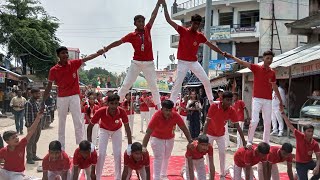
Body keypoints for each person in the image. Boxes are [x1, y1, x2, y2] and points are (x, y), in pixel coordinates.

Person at [162, 0, 225, 105]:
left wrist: (221, 52)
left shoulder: (199, 36)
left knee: (206, 80)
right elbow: (168, 20)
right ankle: (171, 103)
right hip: (182, 62)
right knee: (178, 82)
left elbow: (210, 45)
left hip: (193, 62)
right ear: (191, 23)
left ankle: (211, 101)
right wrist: (164, 6)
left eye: (198, 24)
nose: (196, 26)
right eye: (195, 23)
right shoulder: (183, 30)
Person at [102, 1, 162, 109]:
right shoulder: (132, 35)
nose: (142, 23)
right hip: (136, 63)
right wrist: (107, 48)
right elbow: (119, 42)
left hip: (149, 63)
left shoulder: (148, 29)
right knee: (126, 84)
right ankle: (117, 103)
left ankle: (160, 107)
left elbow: (153, 16)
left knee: (153, 86)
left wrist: (158, 4)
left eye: (143, 21)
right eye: (139, 21)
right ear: (135, 23)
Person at [42, 46, 104, 150]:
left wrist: (98, 53)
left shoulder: (73, 64)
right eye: (63, 53)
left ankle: (81, 146)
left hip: (74, 96)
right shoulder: (54, 70)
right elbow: (48, 86)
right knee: (61, 122)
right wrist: (42, 101)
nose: (65, 55)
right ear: (58, 55)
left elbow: (87, 58)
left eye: (66, 53)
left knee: (78, 122)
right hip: (62, 97)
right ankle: (61, 147)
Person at [225, 51, 284, 146]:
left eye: (271, 59)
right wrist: (231, 56)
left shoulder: (272, 72)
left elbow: (274, 87)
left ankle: (266, 142)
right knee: (255, 120)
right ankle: (249, 141)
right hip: (257, 99)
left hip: (268, 100)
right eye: (267, 58)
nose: (269, 60)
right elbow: (242, 62)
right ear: (263, 59)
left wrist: (280, 101)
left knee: (268, 122)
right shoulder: (256, 68)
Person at [142, 100, 193, 180]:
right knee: (158, 157)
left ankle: (163, 175)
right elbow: (148, 132)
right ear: (162, 109)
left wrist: (190, 141)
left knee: (166, 157)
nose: (168, 113)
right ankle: (157, 177)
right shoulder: (157, 116)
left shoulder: (175, 115)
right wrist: (143, 147)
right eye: (166, 110)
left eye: (169, 110)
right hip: (156, 138)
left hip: (170, 138)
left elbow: (184, 128)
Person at [87, 94, 132, 180]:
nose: (114, 106)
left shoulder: (122, 112)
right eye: (112, 103)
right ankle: (98, 177)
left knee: (117, 154)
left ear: (118, 104)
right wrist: (90, 142)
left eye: (116, 103)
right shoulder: (101, 111)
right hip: (104, 130)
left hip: (117, 130)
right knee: (102, 154)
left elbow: (127, 128)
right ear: (108, 103)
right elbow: (90, 127)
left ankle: (118, 178)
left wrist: (130, 144)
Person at [203, 91, 246, 179]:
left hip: (221, 135)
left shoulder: (231, 110)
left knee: (222, 153)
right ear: (222, 100)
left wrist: (244, 141)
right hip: (210, 133)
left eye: (231, 100)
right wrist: (203, 136)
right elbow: (207, 122)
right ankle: (210, 173)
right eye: (227, 100)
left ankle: (222, 174)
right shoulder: (214, 107)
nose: (229, 102)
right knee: (208, 154)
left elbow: (237, 126)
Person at [0, 112, 42, 179]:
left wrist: (37, 118)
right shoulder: (3, 150)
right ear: (7, 141)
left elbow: (31, 132)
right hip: (6, 172)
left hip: (17, 174)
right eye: (13, 138)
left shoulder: (21, 145)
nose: (16, 138)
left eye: (16, 136)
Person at [282, 113, 320, 179]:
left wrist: (317, 167)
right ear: (304, 132)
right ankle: (297, 173)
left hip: (310, 162)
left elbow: (318, 157)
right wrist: (283, 113)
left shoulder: (315, 143)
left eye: (312, 131)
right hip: (300, 164)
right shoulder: (299, 136)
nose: (310, 133)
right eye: (308, 131)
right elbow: (289, 125)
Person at [25, 88, 42, 164]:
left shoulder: (36, 102)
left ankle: (34, 155)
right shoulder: (29, 103)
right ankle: (29, 158)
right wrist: (30, 127)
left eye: (39, 93)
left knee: (35, 141)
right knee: (30, 142)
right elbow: (27, 116)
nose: (38, 95)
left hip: (38, 124)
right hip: (32, 125)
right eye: (36, 94)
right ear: (32, 94)